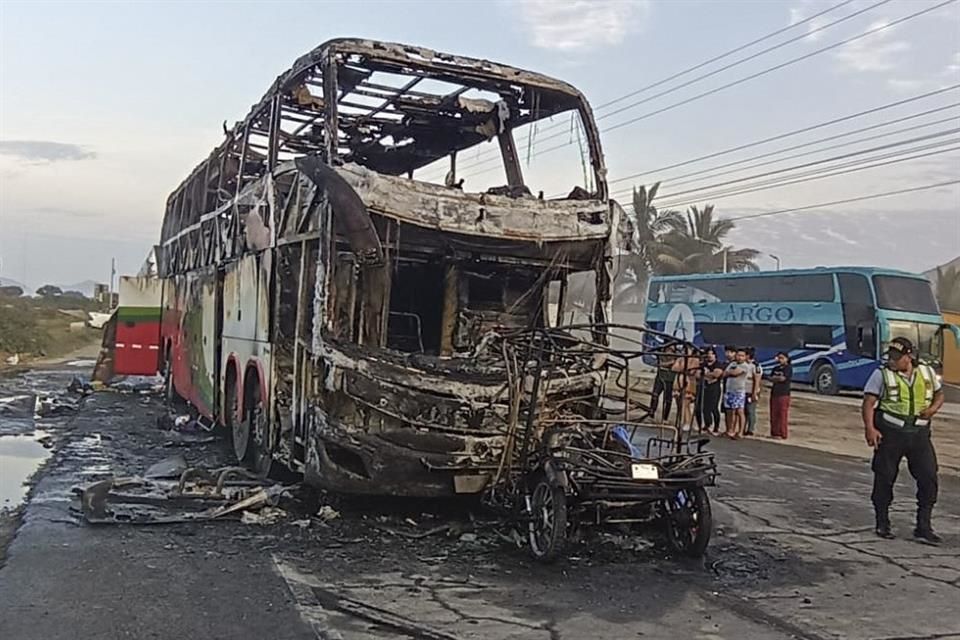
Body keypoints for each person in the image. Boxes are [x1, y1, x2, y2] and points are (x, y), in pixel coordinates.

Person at [862, 337, 944, 542]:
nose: (892, 360)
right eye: (890, 356)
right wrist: (870, 429)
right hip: (890, 434)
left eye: (897, 357)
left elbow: (939, 394)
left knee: (928, 476)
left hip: (919, 435)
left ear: (909, 357)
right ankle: (882, 523)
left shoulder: (926, 372)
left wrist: (933, 409)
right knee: (884, 476)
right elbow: (868, 403)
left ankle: (923, 526)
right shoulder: (881, 374)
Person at [671, 345, 701, 432]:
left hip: (689, 382)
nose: (686, 351)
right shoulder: (680, 359)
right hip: (678, 382)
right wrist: (682, 367)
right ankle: (684, 421)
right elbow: (674, 368)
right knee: (679, 404)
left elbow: (691, 370)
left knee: (685, 403)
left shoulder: (695, 360)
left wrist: (682, 367)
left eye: (688, 349)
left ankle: (687, 422)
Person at [723, 348, 749, 439]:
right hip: (729, 390)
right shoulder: (732, 364)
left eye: (742, 356)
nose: (740, 357)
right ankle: (730, 430)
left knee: (739, 411)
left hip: (738, 391)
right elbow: (725, 373)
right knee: (730, 411)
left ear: (745, 357)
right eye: (738, 355)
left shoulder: (745, 366)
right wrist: (729, 372)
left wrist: (730, 372)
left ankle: (740, 432)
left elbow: (735, 373)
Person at [699, 349, 724, 435]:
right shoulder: (703, 364)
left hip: (714, 389)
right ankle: (707, 425)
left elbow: (717, 374)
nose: (710, 355)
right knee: (705, 408)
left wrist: (706, 374)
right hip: (704, 388)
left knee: (713, 408)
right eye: (708, 354)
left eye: (712, 354)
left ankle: (716, 427)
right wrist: (709, 374)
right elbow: (697, 374)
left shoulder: (718, 364)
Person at [650, 345, 677, 422]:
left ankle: (665, 417)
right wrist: (670, 363)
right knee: (655, 395)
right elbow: (659, 364)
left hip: (670, 380)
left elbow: (676, 366)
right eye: (668, 349)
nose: (670, 350)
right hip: (660, 378)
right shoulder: (661, 355)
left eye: (672, 349)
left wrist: (672, 363)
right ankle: (651, 413)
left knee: (668, 400)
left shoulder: (677, 357)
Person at [769, 352, 792, 439]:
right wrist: (776, 378)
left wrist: (776, 378)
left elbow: (783, 378)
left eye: (782, 358)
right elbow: (771, 378)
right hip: (775, 392)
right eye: (779, 358)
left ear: (786, 358)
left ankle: (782, 433)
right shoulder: (775, 368)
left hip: (784, 393)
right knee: (774, 414)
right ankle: (774, 432)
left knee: (782, 414)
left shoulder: (788, 368)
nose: (780, 360)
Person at [744, 347, 763, 436]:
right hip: (743, 390)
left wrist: (754, 393)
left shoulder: (755, 366)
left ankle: (750, 429)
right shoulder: (743, 364)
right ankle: (743, 428)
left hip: (751, 391)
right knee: (743, 411)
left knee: (750, 410)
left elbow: (757, 380)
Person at [722, 345, 736, 434]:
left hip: (735, 389)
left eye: (730, 352)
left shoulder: (735, 364)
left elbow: (732, 373)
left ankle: (732, 429)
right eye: (726, 352)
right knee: (727, 410)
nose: (727, 354)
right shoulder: (725, 363)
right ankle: (727, 429)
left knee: (733, 411)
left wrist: (727, 373)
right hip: (726, 388)